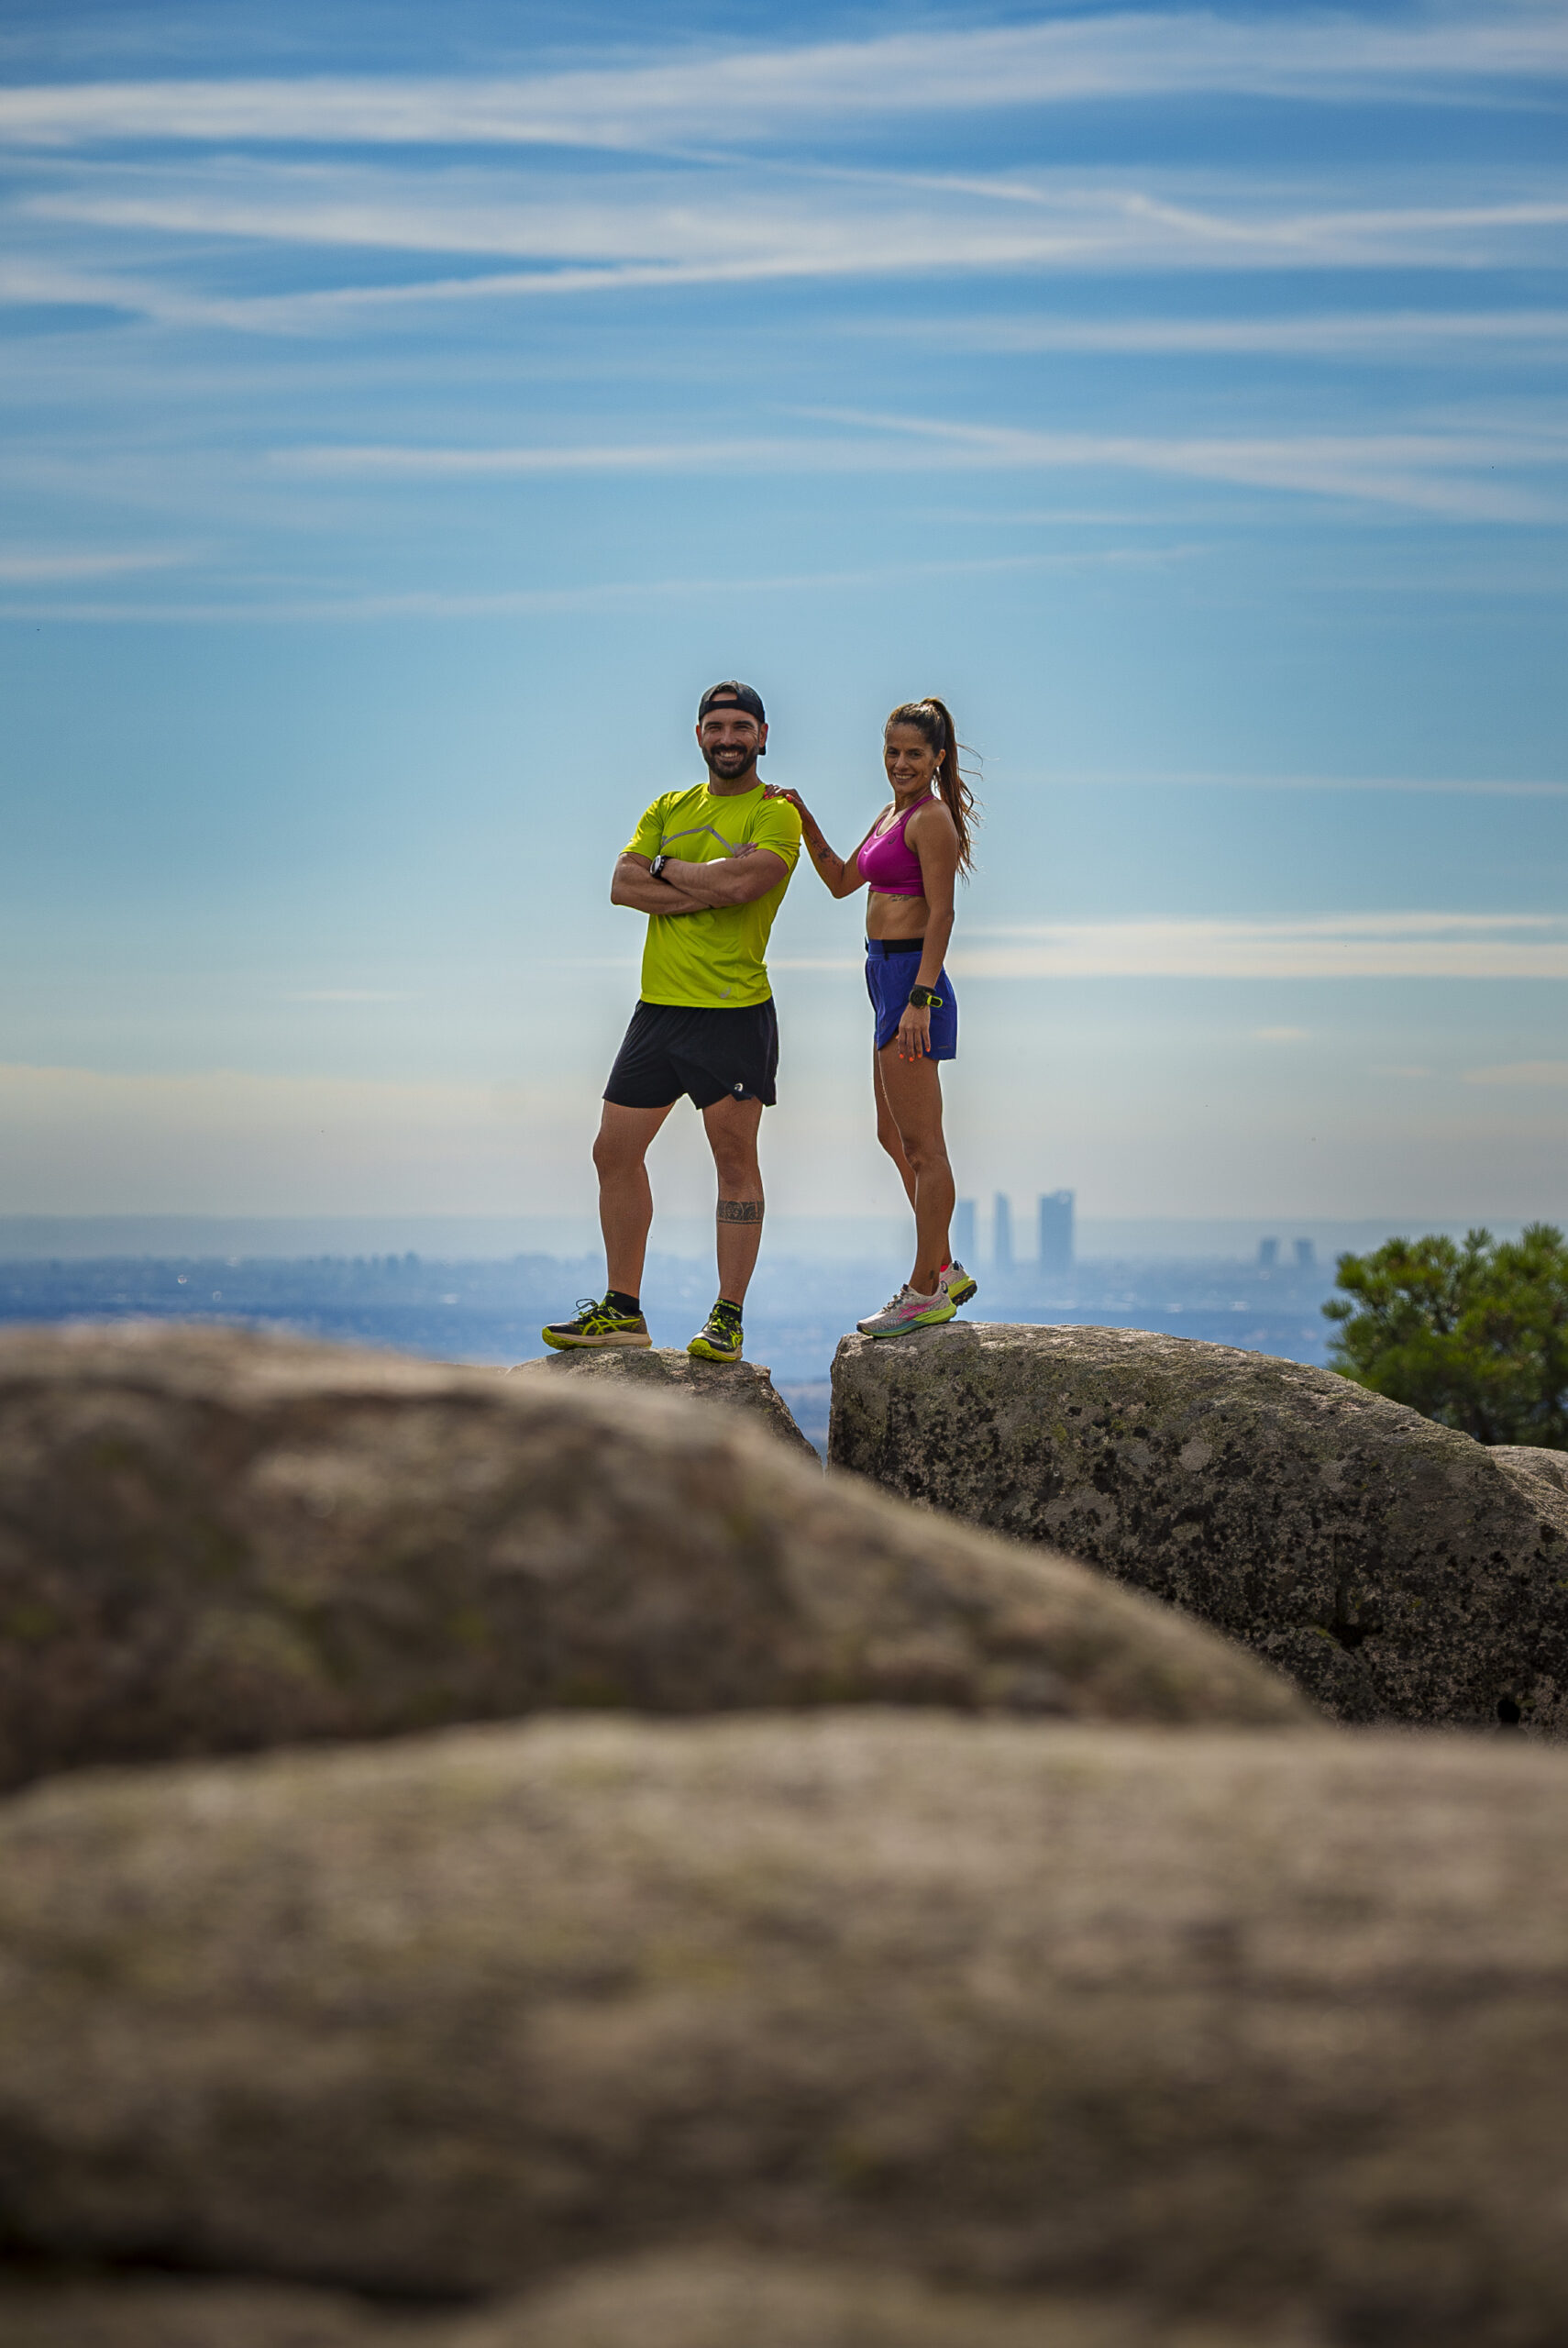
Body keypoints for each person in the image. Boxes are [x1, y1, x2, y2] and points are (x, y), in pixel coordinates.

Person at [543, 681, 802, 1362]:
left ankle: (726, 1315)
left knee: (733, 1163)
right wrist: (699, 879)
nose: (728, 738)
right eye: (716, 726)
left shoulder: (777, 816)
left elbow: (747, 887)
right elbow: (622, 886)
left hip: (733, 1012)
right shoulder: (667, 806)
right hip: (657, 1010)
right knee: (613, 1153)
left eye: (741, 727)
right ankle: (623, 1309)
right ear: (698, 735)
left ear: (762, 736)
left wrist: (670, 877)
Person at [766, 697, 978, 1338]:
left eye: (915, 753)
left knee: (923, 1147)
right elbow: (839, 881)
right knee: (893, 1137)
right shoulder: (893, 815)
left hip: (912, 981)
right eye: (893, 751)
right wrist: (803, 819)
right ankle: (943, 1265)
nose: (901, 763)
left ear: (938, 758)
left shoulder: (932, 819)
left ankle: (926, 1288)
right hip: (882, 978)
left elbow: (941, 914)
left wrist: (920, 999)